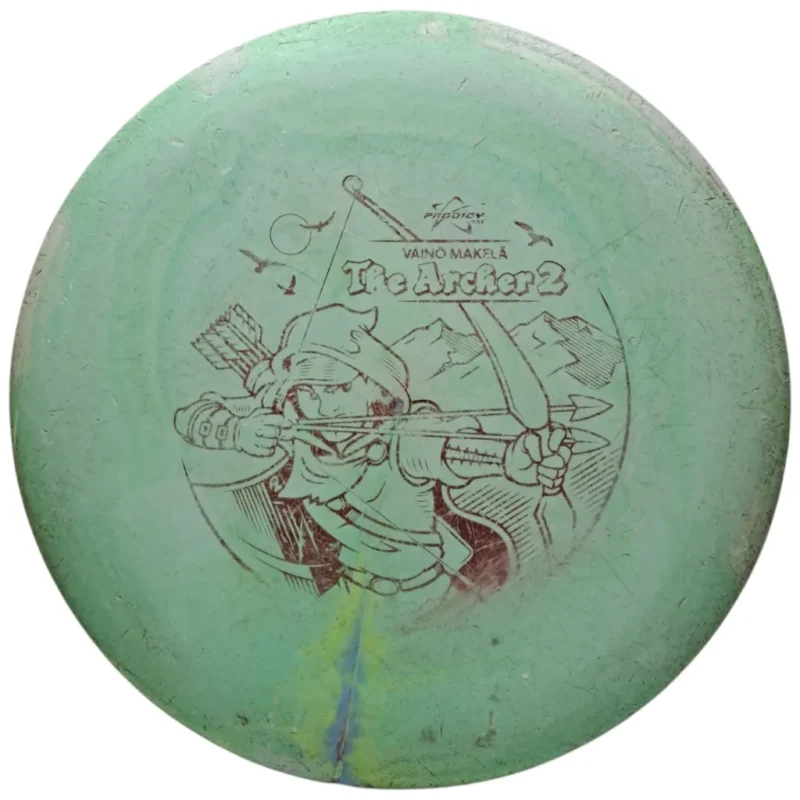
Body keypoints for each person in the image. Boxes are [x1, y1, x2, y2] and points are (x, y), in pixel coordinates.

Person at [175, 304, 572, 597]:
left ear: (376, 385)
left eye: (339, 388)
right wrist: (236, 430)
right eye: (309, 392)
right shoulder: (296, 428)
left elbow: (454, 450)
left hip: (431, 593)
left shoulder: (405, 437)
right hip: (351, 597)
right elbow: (187, 419)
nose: (323, 406)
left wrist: (515, 458)